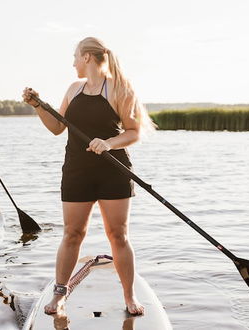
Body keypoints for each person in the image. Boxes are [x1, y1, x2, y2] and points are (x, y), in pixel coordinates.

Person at [22, 37, 154, 315]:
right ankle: (60, 294)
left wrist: (108, 143)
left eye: (75, 57)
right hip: (76, 172)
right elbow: (57, 128)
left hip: (113, 172)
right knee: (72, 233)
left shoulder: (120, 89)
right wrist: (37, 106)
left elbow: (134, 132)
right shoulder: (74, 89)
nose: (72, 63)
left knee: (118, 235)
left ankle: (129, 297)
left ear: (87, 58)